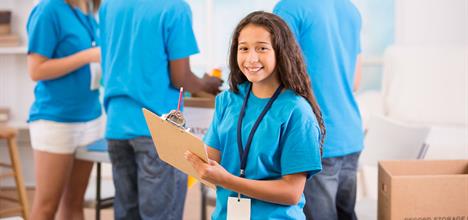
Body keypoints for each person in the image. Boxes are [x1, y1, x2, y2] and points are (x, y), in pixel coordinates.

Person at [185, 11, 325, 220]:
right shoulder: (228, 100)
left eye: (262, 48)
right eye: (244, 49)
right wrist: (177, 135)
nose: (251, 58)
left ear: (281, 52)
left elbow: (292, 193)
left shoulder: (297, 112)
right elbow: (210, 160)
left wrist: (227, 181)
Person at [98, 0, 222, 219]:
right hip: (158, 130)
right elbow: (180, 77)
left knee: (126, 213)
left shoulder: (109, 5)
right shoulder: (174, 7)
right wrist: (206, 84)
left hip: (117, 126)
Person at [273, 0, 364, 219]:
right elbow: (355, 82)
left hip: (316, 138)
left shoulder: (289, 8)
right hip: (350, 134)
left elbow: (280, 78)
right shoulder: (350, 9)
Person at [26, 0, 102, 219]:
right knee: (46, 206)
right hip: (56, 121)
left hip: (91, 117)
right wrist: (87, 56)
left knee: (74, 204)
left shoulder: (88, 7)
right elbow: (36, 70)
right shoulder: (49, 10)